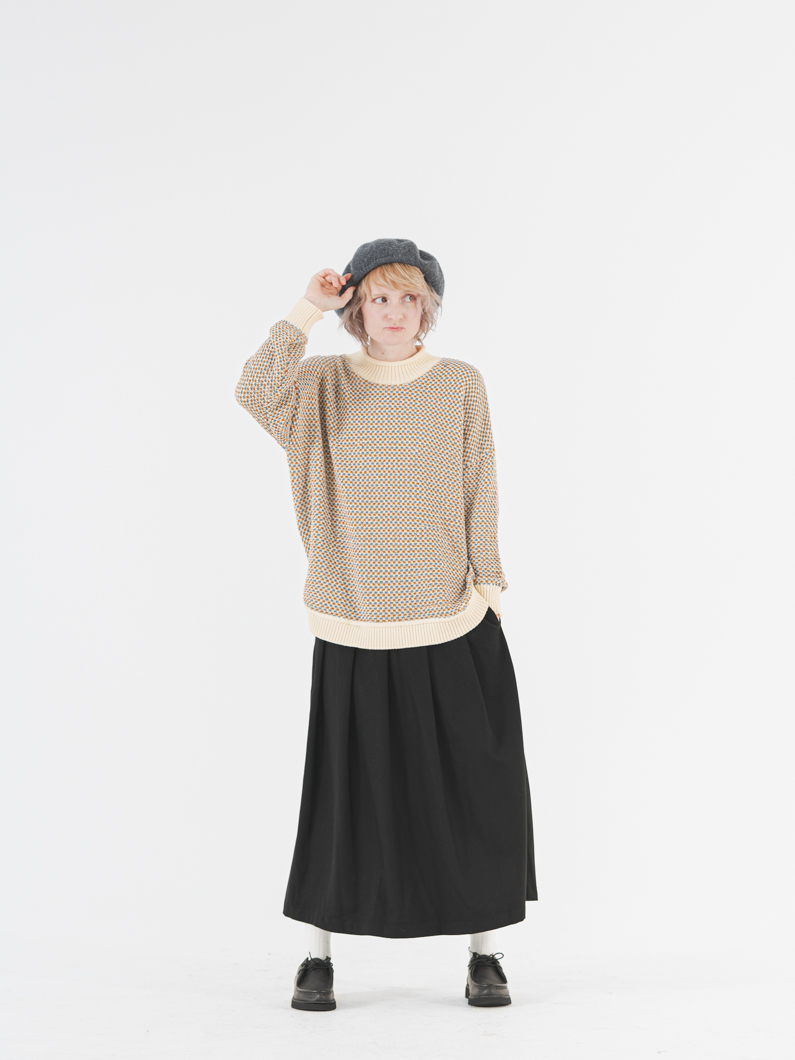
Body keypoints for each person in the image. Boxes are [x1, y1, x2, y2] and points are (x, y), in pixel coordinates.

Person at [235, 238, 537, 1010]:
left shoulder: (459, 383)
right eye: (377, 298)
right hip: (354, 622)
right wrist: (308, 306)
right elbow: (252, 390)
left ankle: (484, 955)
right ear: (356, 308)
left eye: (408, 298)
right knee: (343, 802)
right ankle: (317, 957)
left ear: (427, 308)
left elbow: (480, 486)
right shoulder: (319, 385)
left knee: (474, 792)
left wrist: (489, 586)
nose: (394, 312)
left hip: (451, 618)